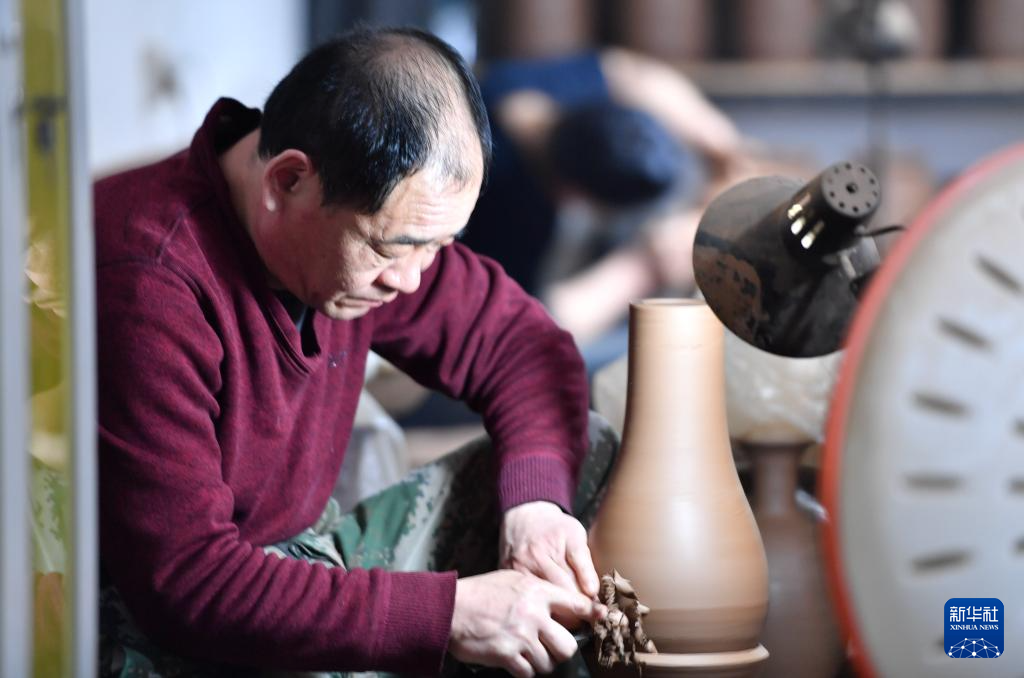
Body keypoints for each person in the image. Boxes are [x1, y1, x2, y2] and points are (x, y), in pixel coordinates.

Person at [95, 27, 616, 677]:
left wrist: (534, 507)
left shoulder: (358, 228)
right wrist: (451, 614)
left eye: (440, 245)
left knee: (581, 453)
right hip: (149, 618)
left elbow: (525, 347)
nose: (413, 280)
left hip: (286, 556)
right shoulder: (148, 283)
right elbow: (187, 582)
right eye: (394, 248)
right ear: (287, 181)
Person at [461, 49, 746, 370]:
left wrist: (725, 147)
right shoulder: (508, 224)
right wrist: (644, 267)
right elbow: (528, 334)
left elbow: (630, 74)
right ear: (575, 198)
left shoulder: (514, 89)